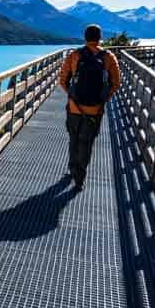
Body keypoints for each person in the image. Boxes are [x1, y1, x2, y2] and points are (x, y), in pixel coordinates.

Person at [58, 24, 121, 189]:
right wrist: (103, 100)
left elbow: (63, 80)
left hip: (74, 108)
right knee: (86, 142)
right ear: (100, 37)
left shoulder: (74, 55)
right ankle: (80, 177)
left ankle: (73, 169)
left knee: (74, 139)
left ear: (85, 37)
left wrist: (72, 96)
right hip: (95, 110)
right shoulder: (108, 57)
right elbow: (116, 83)